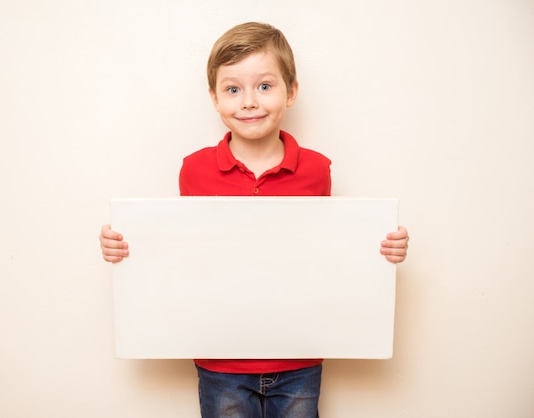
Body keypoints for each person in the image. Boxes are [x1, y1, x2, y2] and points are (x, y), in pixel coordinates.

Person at [99, 22, 409, 418]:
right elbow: (181, 252)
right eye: (233, 89)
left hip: (298, 355)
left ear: (291, 91)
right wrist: (125, 244)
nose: (249, 102)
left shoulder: (316, 169)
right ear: (213, 98)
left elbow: (326, 253)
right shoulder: (193, 170)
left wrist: (384, 248)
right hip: (220, 360)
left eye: (264, 86)